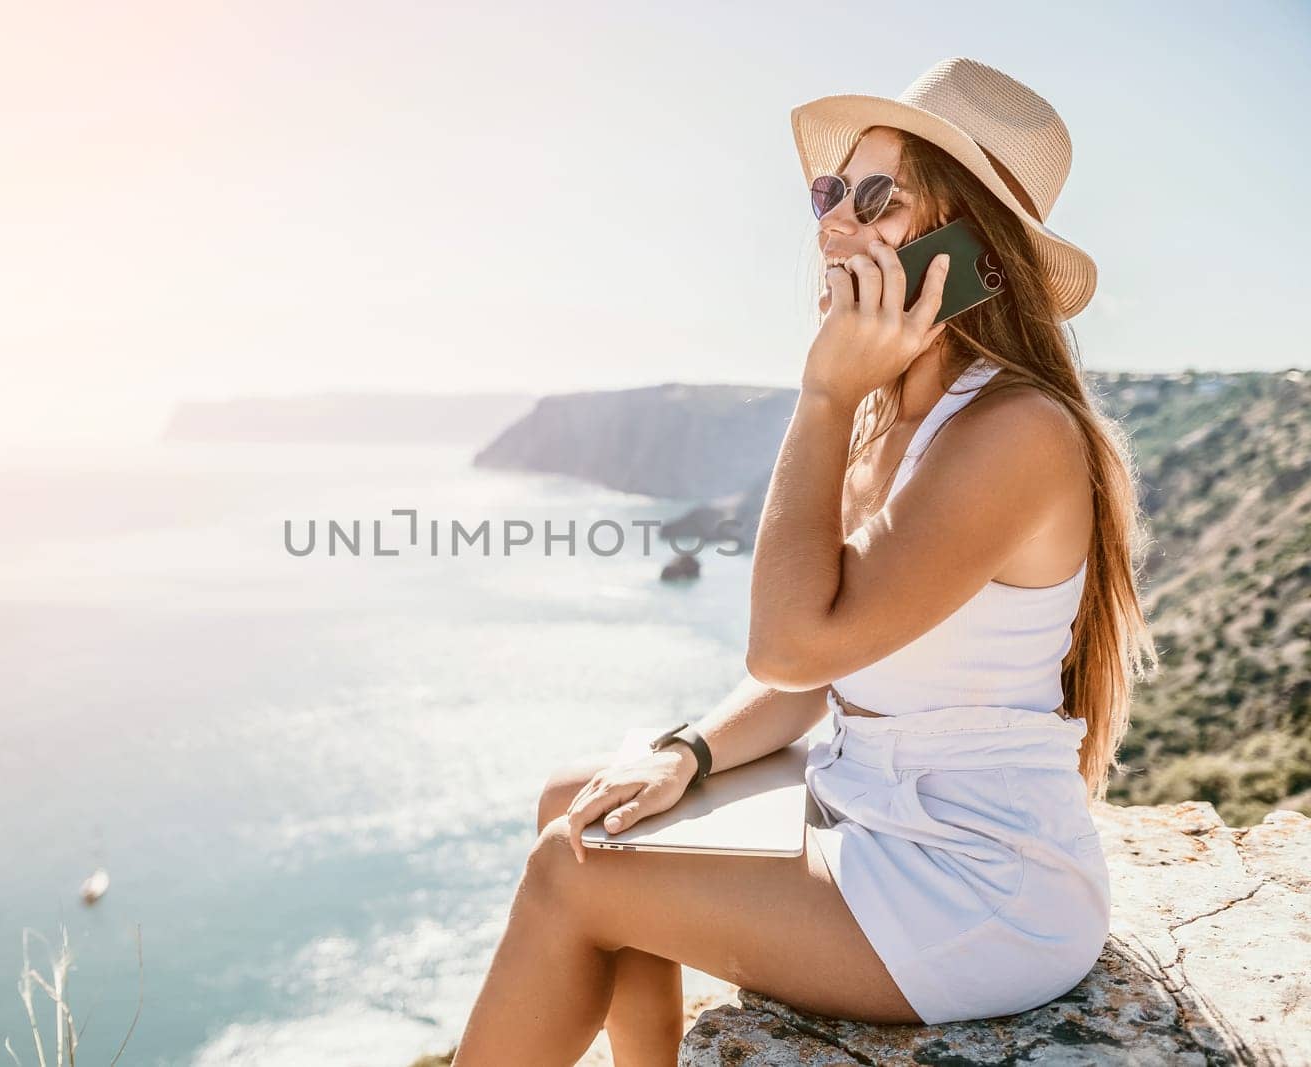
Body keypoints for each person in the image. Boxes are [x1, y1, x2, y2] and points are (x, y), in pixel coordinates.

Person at [453, 56, 1159, 1065]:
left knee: (568, 869)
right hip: (872, 808)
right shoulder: (893, 422)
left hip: (976, 885)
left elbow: (789, 643)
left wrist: (822, 395)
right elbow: (821, 675)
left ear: (972, 250)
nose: (832, 224)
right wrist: (684, 750)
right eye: (830, 193)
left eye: (877, 201)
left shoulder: (1014, 431)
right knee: (580, 799)